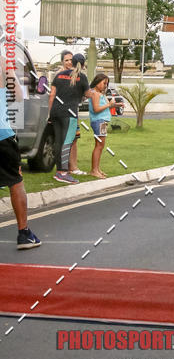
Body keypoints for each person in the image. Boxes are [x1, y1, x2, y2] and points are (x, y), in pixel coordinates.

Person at [0, 55, 41, 249]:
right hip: (2, 134)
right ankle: (24, 233)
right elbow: (17, 94)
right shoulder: (2, 60)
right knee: (15, 181)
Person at [48, 52, 91, 184]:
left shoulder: (59, 75)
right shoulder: (82, 77)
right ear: (82, 65)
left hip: (56, 112)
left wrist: (50, 114)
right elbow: (88, 94)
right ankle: (63, 173)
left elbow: (52, 95)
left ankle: (59, 172)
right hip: (70, 114)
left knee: (58, 142)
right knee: (67, 143)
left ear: (72, 63)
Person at [88, 73, 112, 178]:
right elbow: (96, 109)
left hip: (102, 122)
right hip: (99, 121)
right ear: (97, 82)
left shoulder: (100, 93)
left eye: (106, 84)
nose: (105, 86)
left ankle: (97, 169)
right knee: (99, 146)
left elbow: (105, 106)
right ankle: (94, 170)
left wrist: (114, 105)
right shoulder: (95, 94)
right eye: (104, 83)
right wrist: (109, 104)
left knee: (100, 146)